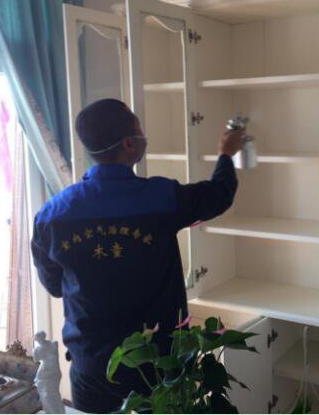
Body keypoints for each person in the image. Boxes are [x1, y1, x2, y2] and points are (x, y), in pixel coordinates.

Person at [31, 98, 243, 413]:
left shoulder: (52, 214)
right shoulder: (161, 197)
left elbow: (54, 284)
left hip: (91, 365)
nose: (144, 134)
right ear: (129, 143)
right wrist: (226, 153)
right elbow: (218, 195)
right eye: (139, 128)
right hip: (156, 365)